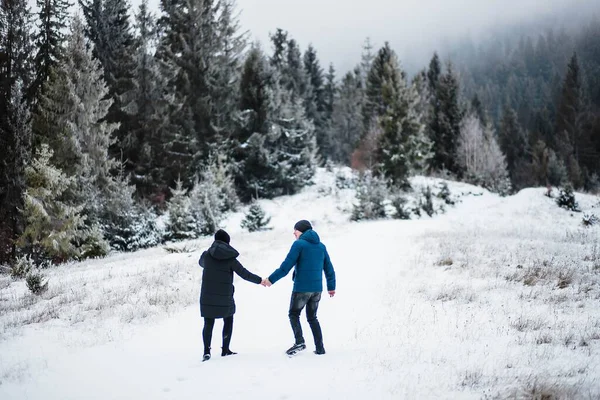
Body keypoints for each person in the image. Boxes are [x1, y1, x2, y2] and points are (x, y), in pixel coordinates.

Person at [262, 220, 336, 356]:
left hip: (302, 288)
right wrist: (331, 287)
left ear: (301, 230)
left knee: (294, 314)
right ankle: (320, 348)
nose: (293, 233)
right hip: (317, 290)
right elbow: (329, 268)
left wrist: (270, 279)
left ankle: (299, 341)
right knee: (312, 317)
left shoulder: (299, 244)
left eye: (295, 230)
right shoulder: (321, 246)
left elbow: (286, 266)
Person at [199, 229, 262, 362]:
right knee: (228, 319)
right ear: (227, 242)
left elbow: (201, 263)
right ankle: (225, 349)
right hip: (225, 296)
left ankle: (206, 352)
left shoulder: (206, 255)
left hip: (207, 296)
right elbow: (245, 274)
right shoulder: (230, 258)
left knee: (208, 322)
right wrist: (260, 280)